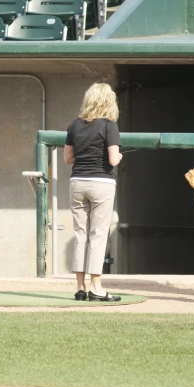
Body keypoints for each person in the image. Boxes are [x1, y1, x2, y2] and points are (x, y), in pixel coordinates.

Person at [64, 83, 122, 302]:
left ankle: (80, 287)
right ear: (109, 102)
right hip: (101, 184)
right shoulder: (109, 126)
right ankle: (96, 288)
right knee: (98, 235)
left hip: (77, 182)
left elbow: (68, 159)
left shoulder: (74, 125)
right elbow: (113, 160)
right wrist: (120, 156)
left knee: (81, 234)